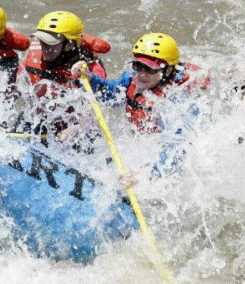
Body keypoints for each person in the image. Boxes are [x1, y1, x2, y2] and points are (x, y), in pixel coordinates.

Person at [73, 32, 209, 178]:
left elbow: (178, 148)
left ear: (168, 70)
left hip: (173, 159)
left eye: (150, 69)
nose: (142, 74)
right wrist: (90, 77)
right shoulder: (132, 79)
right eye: (138, 65)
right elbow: (109, 94)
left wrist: (143, 174)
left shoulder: (177, 101)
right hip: (146, 142)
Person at [15, 11, 110, 144]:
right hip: (42, 118)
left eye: (50, 43)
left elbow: (92, 115)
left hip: (75, 126)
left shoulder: (90, 70)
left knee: (85, 136)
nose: (44, 47)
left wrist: (75, 129)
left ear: (70, 44)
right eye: (42, 40)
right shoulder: (34, 56)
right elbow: (21, 88)